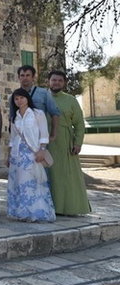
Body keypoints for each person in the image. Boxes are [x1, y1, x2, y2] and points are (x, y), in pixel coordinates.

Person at [7, 88, 56, 222]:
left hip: (32, 152)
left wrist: (42, 149)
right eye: (16, 99)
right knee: (18, 183)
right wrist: (9, 155)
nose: (19, 101)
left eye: (21, 97)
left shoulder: (37, 114)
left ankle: (36, 212)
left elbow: (44, 134)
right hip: (17, 154)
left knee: (32, 183)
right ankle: (21, 212)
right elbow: (12, 138)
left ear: (27, 98)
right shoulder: (14, 117)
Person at [48, 70, 91, 215]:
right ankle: (50, 207)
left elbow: (79, 123)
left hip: (66, 143)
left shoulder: (71, 100)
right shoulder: (42, 97)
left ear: (64, 83)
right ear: (49, 81)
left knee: (67, 176)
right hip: (46, 141)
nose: (56, 83)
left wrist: (78, 143)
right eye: (54, 80)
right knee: (50, 175)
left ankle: (69, 207)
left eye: (60, 80)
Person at [11, 65, 60, 141]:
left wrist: (53, 135)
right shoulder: (14, 96)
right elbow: (12, 117)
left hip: (39, 138)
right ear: (18, 77)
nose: (25, 78)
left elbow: (55, 113)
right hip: (21, 140)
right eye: (22, 75)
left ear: (33, 77)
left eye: (28, 75)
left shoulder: (43, 93)